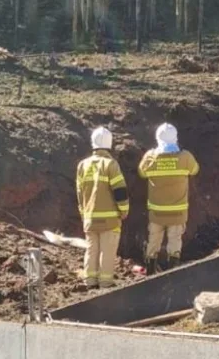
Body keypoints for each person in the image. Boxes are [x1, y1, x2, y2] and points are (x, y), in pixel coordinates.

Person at [138, 123, 199, 274]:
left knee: (154, 241)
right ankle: (173, 272)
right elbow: (195, 170)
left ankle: (151, 272)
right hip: (178, 213)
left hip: (157, 212)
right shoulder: (185, 157)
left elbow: (141, 173)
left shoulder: (150, 157)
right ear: (176, 138)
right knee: (175, 242)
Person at [75, 127, 130, 288]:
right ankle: (105, 283)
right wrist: (124, 210)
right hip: (110, 219)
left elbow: (79, 192)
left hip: (89, 218)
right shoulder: (110, 164)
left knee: (91, 250)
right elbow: (120, 190)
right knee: (107, 251)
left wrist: (83, 213)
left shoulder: (82, 165)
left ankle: (89, 280)